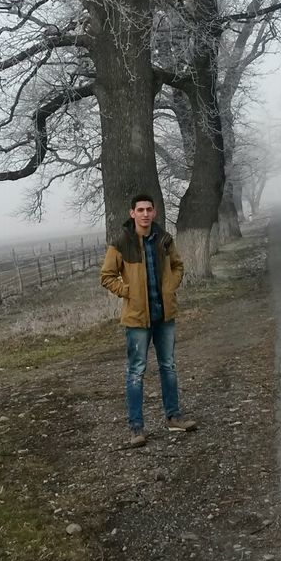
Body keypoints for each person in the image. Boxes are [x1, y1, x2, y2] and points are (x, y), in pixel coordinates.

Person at [100, 192, 198, 448]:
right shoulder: (122, 241)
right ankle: (136, 429)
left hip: (164, 315)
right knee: (136, 373)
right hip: (136, 319)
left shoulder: (164, 239)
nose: (145, 214)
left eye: (149, 209)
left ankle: (174, 417)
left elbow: (178, 266)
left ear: (154, 213)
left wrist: (170, 287)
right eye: (140, 210)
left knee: (169, 366)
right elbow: (107, 275)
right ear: (132, 213)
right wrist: (128, 292)